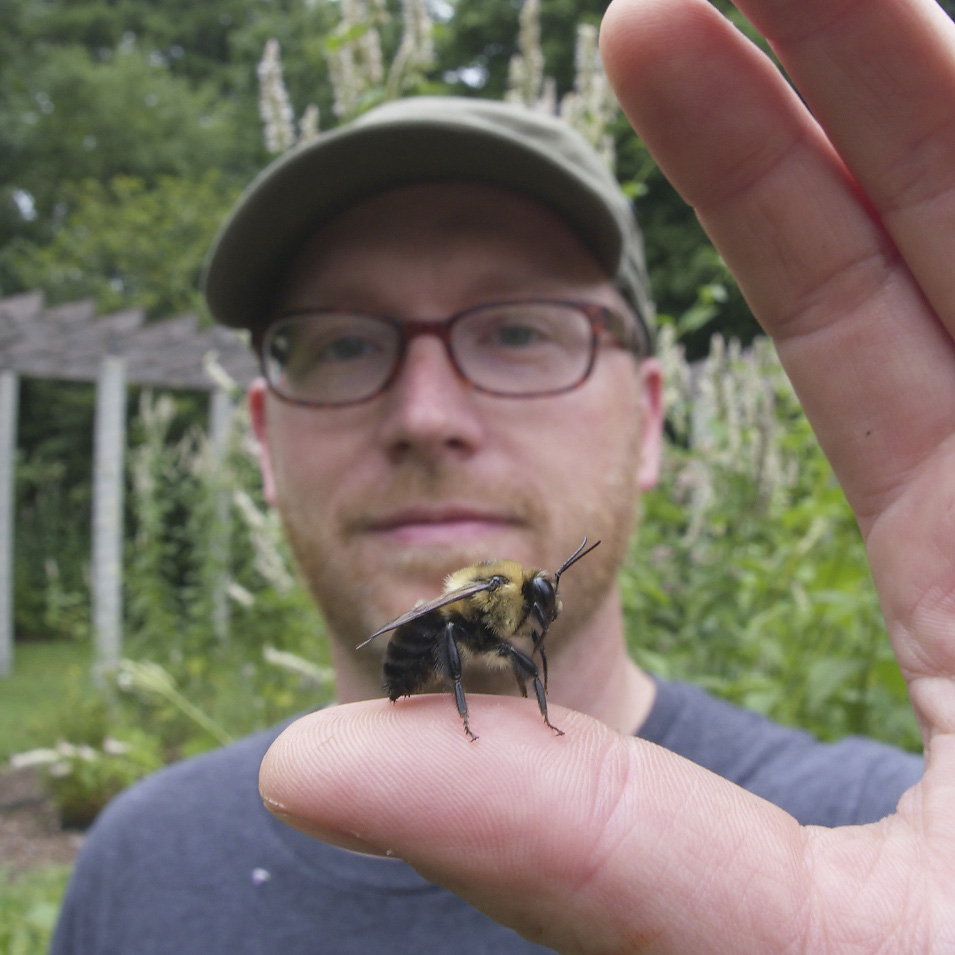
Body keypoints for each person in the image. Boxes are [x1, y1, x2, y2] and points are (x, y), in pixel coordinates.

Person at [51, 0, 954, 949]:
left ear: (649, 421)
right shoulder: (133, 872)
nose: (426, 417)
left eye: (518, 331)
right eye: (345, 343)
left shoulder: (867, 837)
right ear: (264, 442)